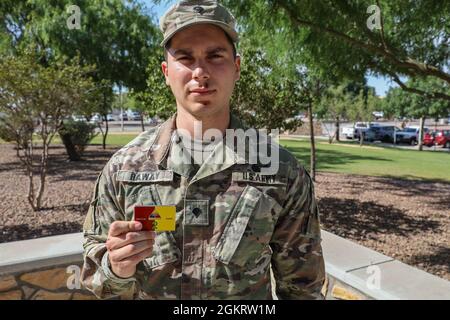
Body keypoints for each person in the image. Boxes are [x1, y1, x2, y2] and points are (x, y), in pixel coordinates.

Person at [80, 0, 325, 300]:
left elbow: (303, 289)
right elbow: (98, 279)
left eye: (215, 56)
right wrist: (115, 268)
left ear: (236, 68)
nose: (200, 71)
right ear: (166, 72)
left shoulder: (282, 172)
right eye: (185, 57)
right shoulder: (124, 170)